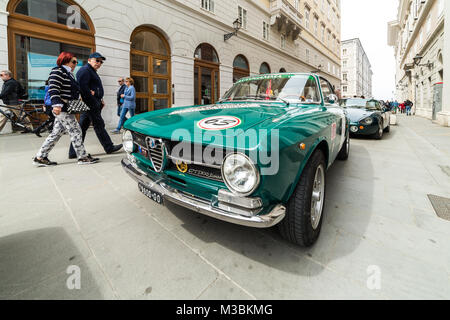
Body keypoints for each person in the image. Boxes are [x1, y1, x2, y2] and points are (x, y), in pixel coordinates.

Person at [33, 52, 99, 167]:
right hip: (62, 107)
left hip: (65, 107)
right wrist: (56, 105)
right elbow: (53, 89)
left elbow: (71, 90)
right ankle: (82, 157)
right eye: (73, 61)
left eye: (76, 62)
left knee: (56, 133)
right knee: (76, 130)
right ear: (65, 60)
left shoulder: (68, 73)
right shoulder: (57, 71)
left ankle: (41, 156)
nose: (75, 64)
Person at [68, 52, 122, 159]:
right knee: (99, 125)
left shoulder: (91, 71)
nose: (99, 63)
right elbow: (83, 89)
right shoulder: (85, 70)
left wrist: (99, 98)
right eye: (97, 60)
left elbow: (93, 88)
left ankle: (73, 152)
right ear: (89, 60)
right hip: (90, 104)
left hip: (93, 102)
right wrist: (93, 100)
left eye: (101, 62)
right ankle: (109, 147)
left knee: (82, 127)